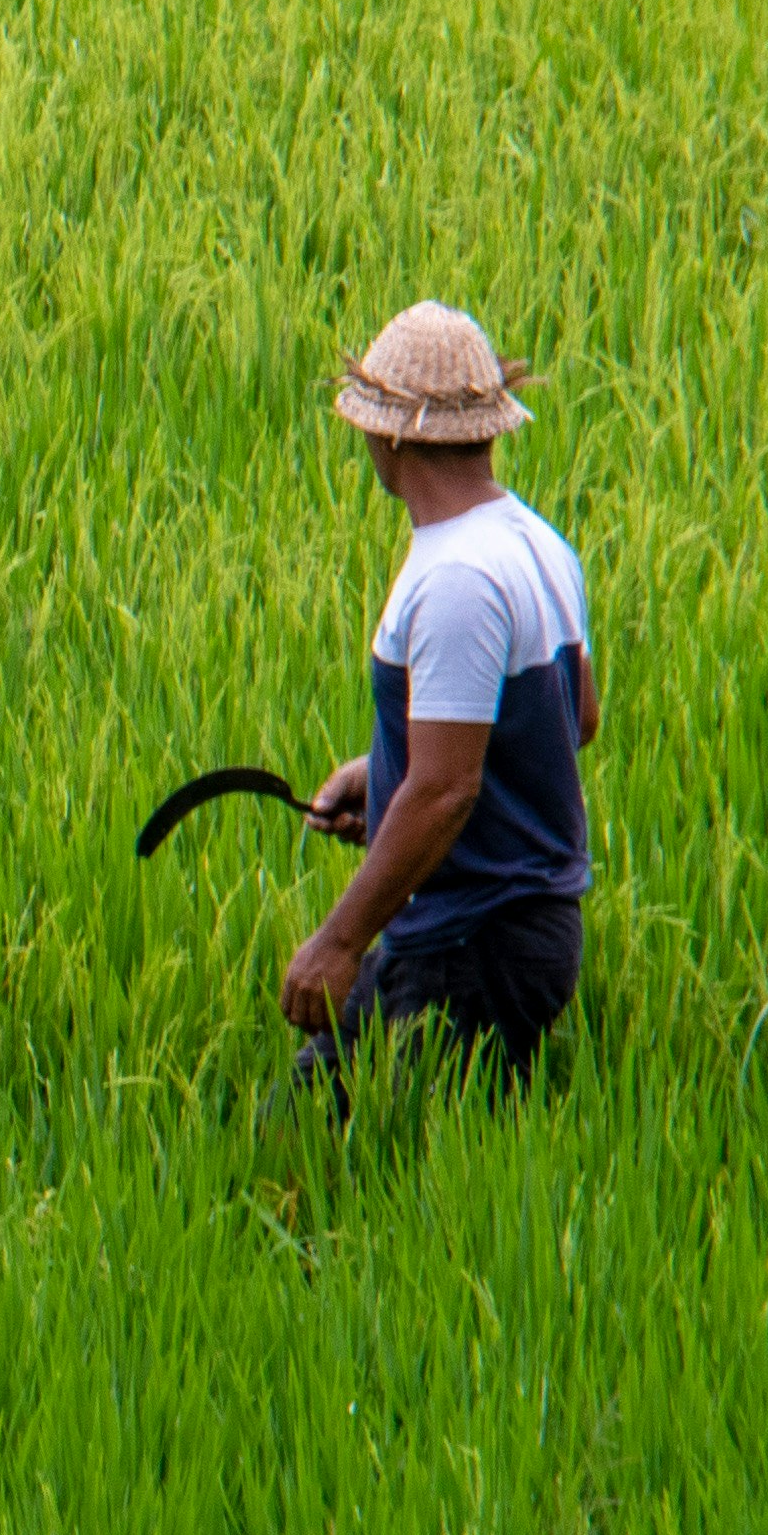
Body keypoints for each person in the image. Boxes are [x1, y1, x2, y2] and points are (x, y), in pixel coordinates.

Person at [281, 302, 598, 1089]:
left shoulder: (455, 579)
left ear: (386, 435)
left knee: (381, 1177)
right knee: (304, 1125)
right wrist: (385, 773)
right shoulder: (536, 543)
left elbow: (447, 787)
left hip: (471, 950)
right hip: (510, 935)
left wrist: (337, 942)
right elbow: (574, 720)